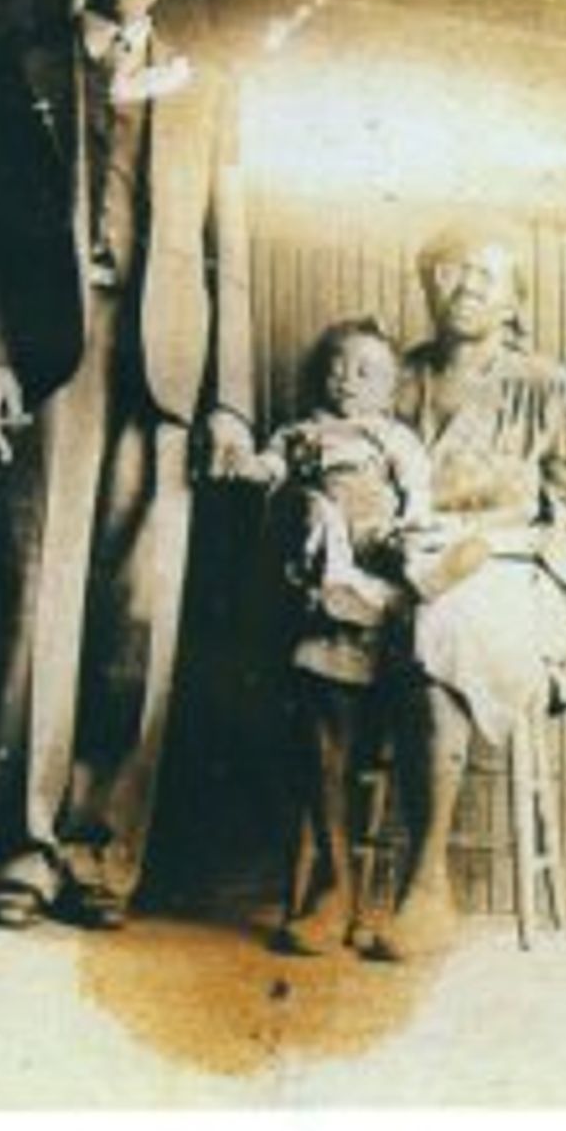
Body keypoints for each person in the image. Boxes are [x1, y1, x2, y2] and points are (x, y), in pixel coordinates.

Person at [0, 0, 254, 931]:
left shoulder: (207, 89)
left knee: (139, 610)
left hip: (163, 366)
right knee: (34, 595)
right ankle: (17, 854)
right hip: (47, 359)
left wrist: (231, 404)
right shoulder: (16, 62)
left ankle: (98, 858)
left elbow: (228, 251)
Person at [378, 224, 566, 960]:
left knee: (445, 621)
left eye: (487, 274)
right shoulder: (393, 378)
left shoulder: (551, 388)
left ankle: (426, 882)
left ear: (515, 299)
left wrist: (493, 550)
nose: (467, 285)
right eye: (451, 269)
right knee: (325, 631)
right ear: (428, 283)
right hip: (400, 562)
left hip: (509, 574)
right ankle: (325, 879)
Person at [234, 317, 429, 955]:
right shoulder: (301, 433)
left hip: (386, 589)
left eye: (366, 372)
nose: (347, 379)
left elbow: (418, 496)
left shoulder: (393, 438)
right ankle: (335, 885)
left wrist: (409, 529)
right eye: (338, 367)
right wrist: (257, 469)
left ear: (391, 390)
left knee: (390, 538)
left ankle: (385, 902)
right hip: (323, 597)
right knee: (311, 510)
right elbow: (268, 467)